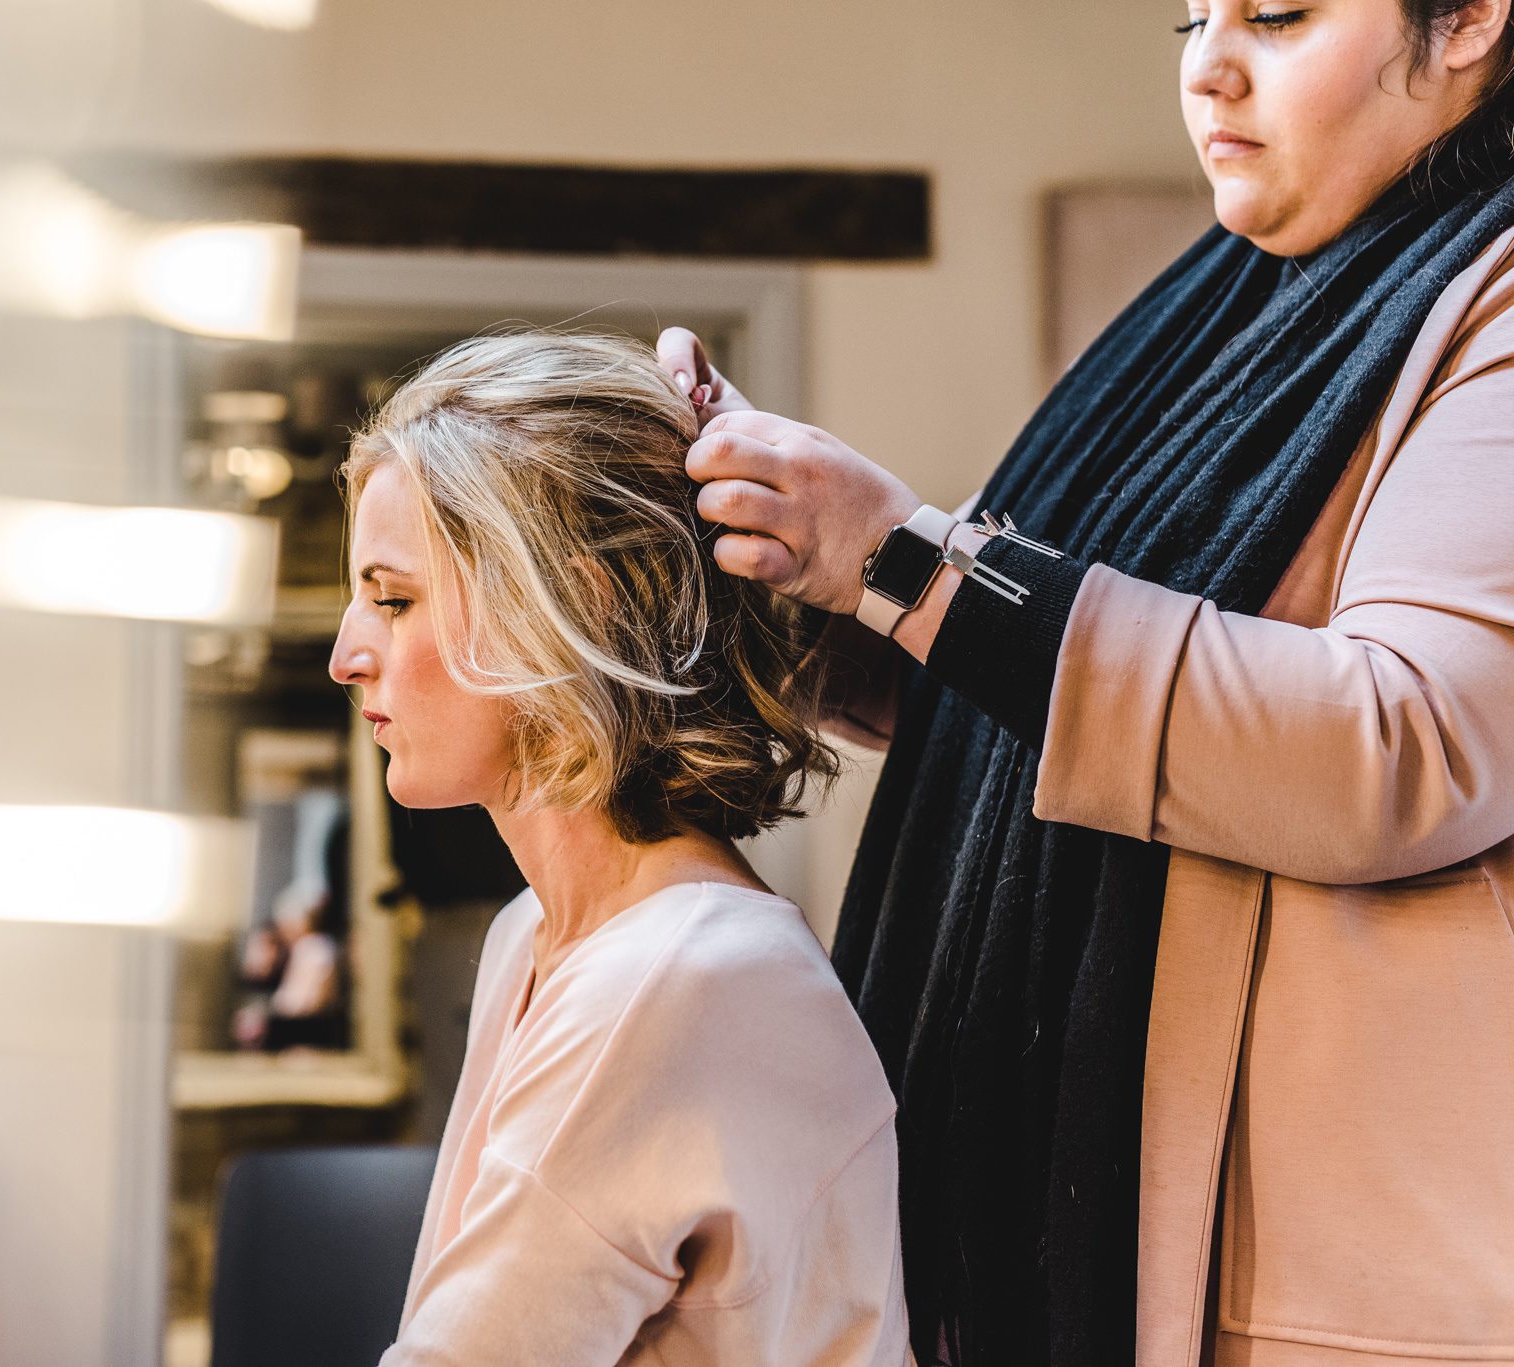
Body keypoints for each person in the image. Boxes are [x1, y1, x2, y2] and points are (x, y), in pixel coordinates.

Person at [659, 2, 1514, 1365]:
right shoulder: (1219, 303)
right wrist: (783, 571)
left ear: (1468, 18)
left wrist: (908, 561)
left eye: (1278, 16)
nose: (1207, 68)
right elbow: (1041, 692)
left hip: (1321, 1273)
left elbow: (1402, 744)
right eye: (1189, 16)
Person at [329, 333, 913, 1366]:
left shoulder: (676, 980)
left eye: (393, 598)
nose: (346, 653)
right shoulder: (535, 937)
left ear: (576, 603)